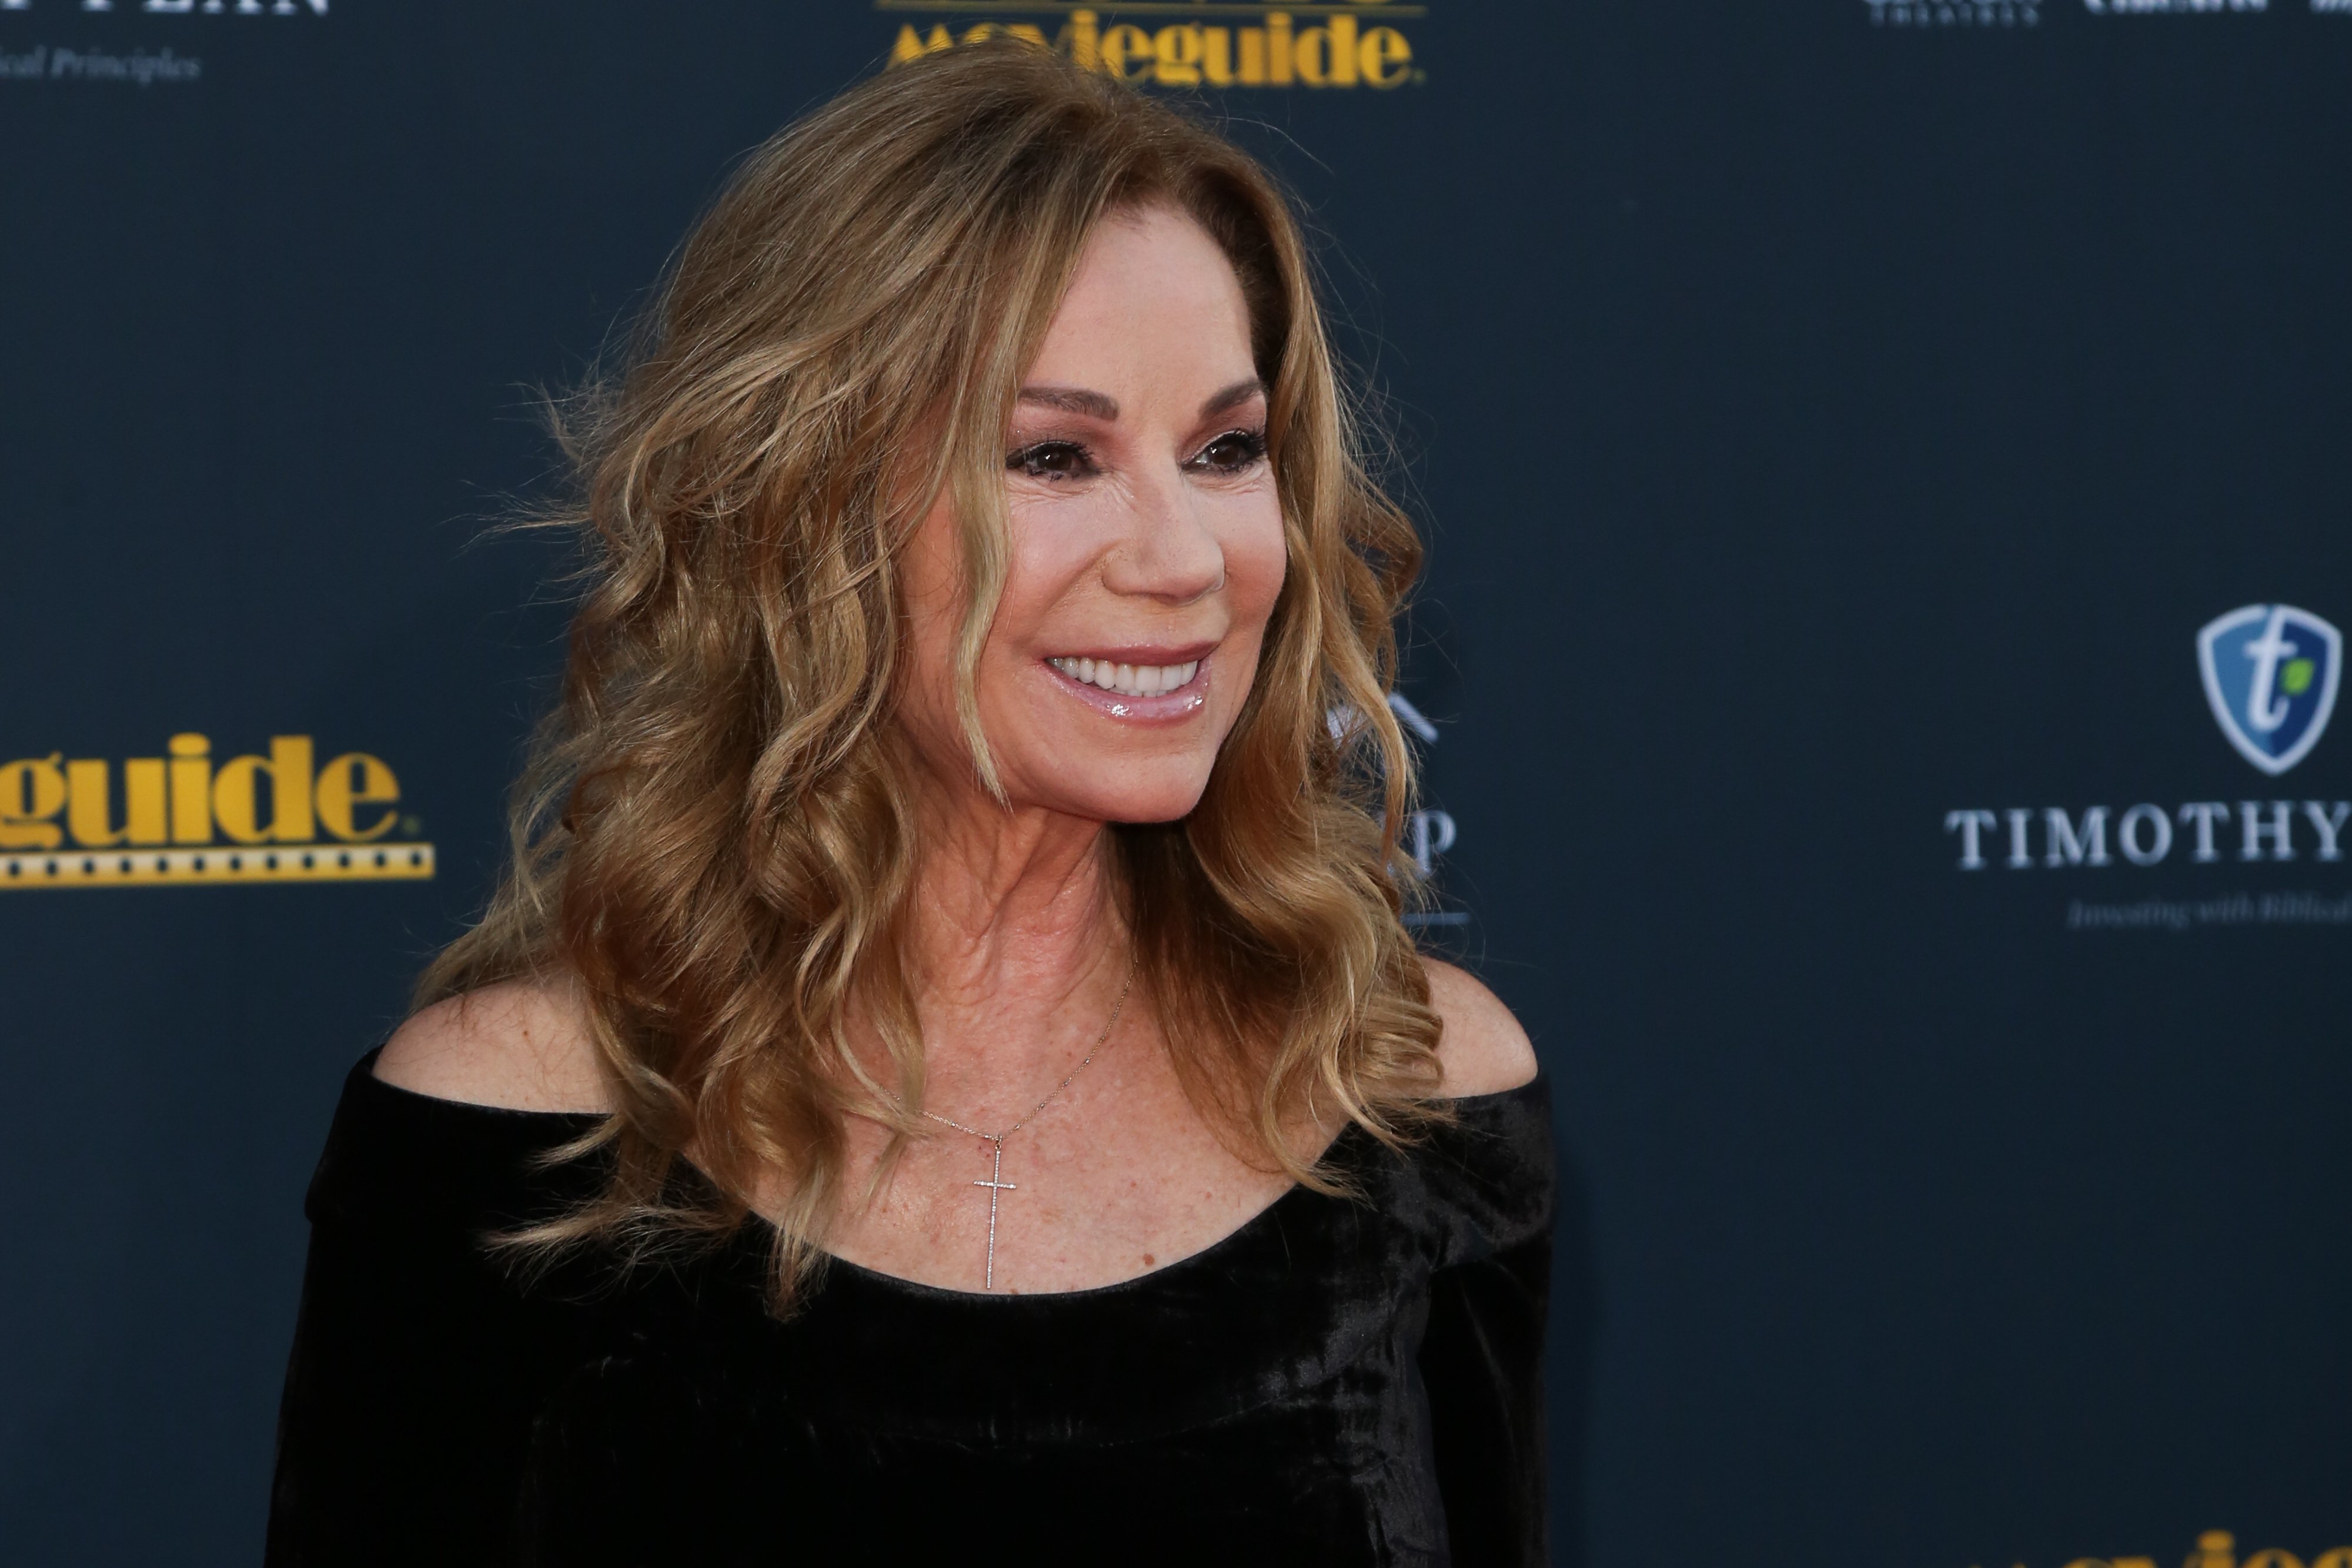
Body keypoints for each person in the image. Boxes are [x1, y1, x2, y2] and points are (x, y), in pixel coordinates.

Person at [266, 41, 1551, 1568]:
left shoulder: (1411, 1086)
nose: (1188, 555)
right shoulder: (519, 1133)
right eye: (1055, 456)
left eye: (1225, 449)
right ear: (812, 515)